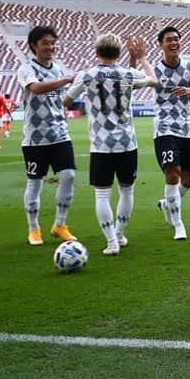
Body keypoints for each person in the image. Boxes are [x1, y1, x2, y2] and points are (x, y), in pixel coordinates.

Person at [63, 34, 157, 255]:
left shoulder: (87, 76)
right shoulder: (126, 75)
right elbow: (153, 80)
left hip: (101, 144)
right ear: (118, 54)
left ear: (96, 52)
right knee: (127, 190)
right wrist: (142, 58)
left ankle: (111, 241)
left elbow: (66, 101)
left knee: (102, 194)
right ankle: (120, 233)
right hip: (126, 143)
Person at [16, 25, 79, 245]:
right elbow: (36, 88)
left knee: (69, 176)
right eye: (45, 43)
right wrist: (67, 80)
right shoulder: (26, 68)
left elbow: (60, 98)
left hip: (60, 133)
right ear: (34, 45)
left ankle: (60, 225)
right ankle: (34, 229)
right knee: (35, 183)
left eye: (53, 43)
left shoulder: (58, 68)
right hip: (35, 138)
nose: (51, 47)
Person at [152, 26, 190, 242]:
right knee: (172, 172)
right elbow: (134, 82)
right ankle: (178, 224)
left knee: (189, 178)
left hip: (187, 129)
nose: (174, 43)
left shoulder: (189, 65)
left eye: (176, 39)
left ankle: (168, 203)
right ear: (161, 45)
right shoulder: (155, 69)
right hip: (164, 128)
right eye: (169, 40)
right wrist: (135, 59)